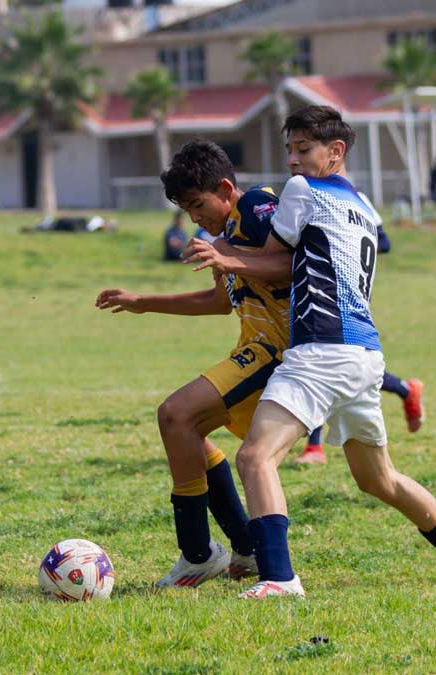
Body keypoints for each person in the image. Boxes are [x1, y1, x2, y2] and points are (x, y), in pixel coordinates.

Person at [230, 106, 436, 598]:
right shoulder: (362, 204)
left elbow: (274, 258)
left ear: (335, 152)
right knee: (380, 479)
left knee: (255, 457)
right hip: (365, 354)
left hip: (322, 350)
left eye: (303, 150)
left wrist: (222, 253)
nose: (292, 161)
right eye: (289, 150)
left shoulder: (303, 191)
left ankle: (279, 578)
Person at [95, 140, 293, 588]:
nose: (195, 218)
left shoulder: (259, 207)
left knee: (175, 414)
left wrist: (226, 256)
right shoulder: (225, 238)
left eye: (198, 205)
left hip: (279, 351)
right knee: (189, 433)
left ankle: (198, 553)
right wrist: (142, 301)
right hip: (253, 349)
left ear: (225, 188)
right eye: (187, 210)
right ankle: (246, 546)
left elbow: (289, 266)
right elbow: (220, 302)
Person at [295, 185, 424, 466]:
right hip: (328, 290)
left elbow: (385, 242)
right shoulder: (342, 197)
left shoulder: (350, 198)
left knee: (325, 361)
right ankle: (404, 389)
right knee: (343, 365)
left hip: (342, 290)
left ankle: (314, 446)